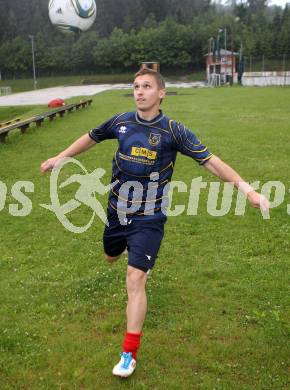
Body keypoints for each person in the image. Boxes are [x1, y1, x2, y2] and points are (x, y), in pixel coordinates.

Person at [41, 67, 269, 378]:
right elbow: (91, 137)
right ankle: (121, 249)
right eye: (136, 86)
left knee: (135, 280)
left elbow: (211, 162)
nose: (139, 91)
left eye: (146, 86)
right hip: (116, 211)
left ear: (161, 93)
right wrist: (60, 157)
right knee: (110, 257)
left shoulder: (173, 131)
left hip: (150, 217)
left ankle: (128, 354)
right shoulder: (121, 122)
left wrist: (247, 190)